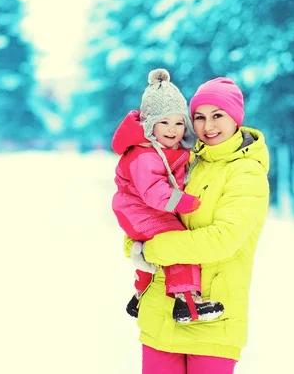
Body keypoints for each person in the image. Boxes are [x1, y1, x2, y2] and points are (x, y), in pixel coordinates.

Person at [125, 76, 270, 373]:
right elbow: (147, 213)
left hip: (213, 316)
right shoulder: (186, 161)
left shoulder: (246, 172)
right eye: (199, 117)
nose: (208, 126)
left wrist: (151, 251)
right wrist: (134, 245)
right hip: (161, 314)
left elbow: (223, 239)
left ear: (236, 119)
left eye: (218, 115)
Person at [112, 68, 225, 323]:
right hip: (138, 210)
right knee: (177, 244)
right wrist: (185, 202)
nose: (172, 130)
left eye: (178, 122)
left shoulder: (170, 148)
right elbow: (153, 192)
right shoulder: (143, 154)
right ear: (150, 124)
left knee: (156, 254)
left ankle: (141, 294)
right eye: (164, 122)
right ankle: (188, 302)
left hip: (144, 210)